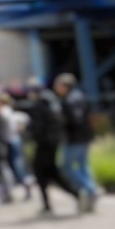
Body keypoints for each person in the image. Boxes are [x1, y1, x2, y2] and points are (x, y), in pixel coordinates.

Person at [26, 79, 80, 216]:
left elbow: (37, 127)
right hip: (52, 143)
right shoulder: (51, 102)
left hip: (45, 144)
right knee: (50, 174)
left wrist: (30, 133)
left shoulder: (40, 104)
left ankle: (75, 195)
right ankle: (73, 196)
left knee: (45, 174)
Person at [54, 73, 99, 213]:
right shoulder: (81, 96)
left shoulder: (68, 101)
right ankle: (91, 189)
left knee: (66, 166)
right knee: (83, 165)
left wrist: (61, 120)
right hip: (84, 137)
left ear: (65, 86)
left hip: (73, 138)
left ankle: (90, 189)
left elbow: (74, 119)